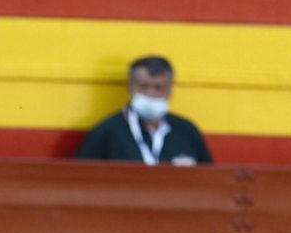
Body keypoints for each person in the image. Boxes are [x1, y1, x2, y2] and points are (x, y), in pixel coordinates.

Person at [75, 55, 213, 165]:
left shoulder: (187, 131)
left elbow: (209, 180)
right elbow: (83, 181)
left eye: (158, 87)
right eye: (143, 87)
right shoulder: (105, 133)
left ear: (170, 90)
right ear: (130, 88)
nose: (151, 93)